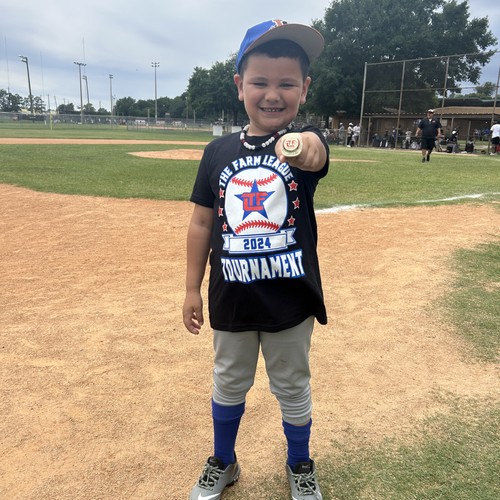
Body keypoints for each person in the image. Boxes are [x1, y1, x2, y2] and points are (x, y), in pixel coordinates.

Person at [183, 19, 328, 500]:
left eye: (287, 83)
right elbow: (201, 223)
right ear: (239, 85)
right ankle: (223, 460)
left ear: (304, 89)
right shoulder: (216, 152)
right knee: (228, 381)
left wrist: (301, 145)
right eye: (260, 82)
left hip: (289, 298)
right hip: (231, 296)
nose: (272, 94)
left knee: (292, 384)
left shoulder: (303, 142)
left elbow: (314, 153)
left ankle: (299, 463)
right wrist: (190, 288)